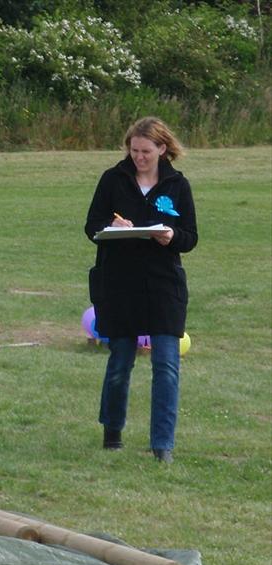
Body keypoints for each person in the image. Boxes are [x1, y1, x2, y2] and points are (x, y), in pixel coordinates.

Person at [85, 117, 197, 463]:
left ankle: (162, 445)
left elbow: (190, 237)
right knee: (120, 362)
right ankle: (112, 430)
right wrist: (112, 225)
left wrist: (170, 236)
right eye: (134, 150)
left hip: (163, 286)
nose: (139, 157)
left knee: (166, 364)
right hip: (119, 284)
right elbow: (91, 227)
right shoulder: (112, 180)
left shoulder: (177, 186)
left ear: (162, 149)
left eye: (146, 151)